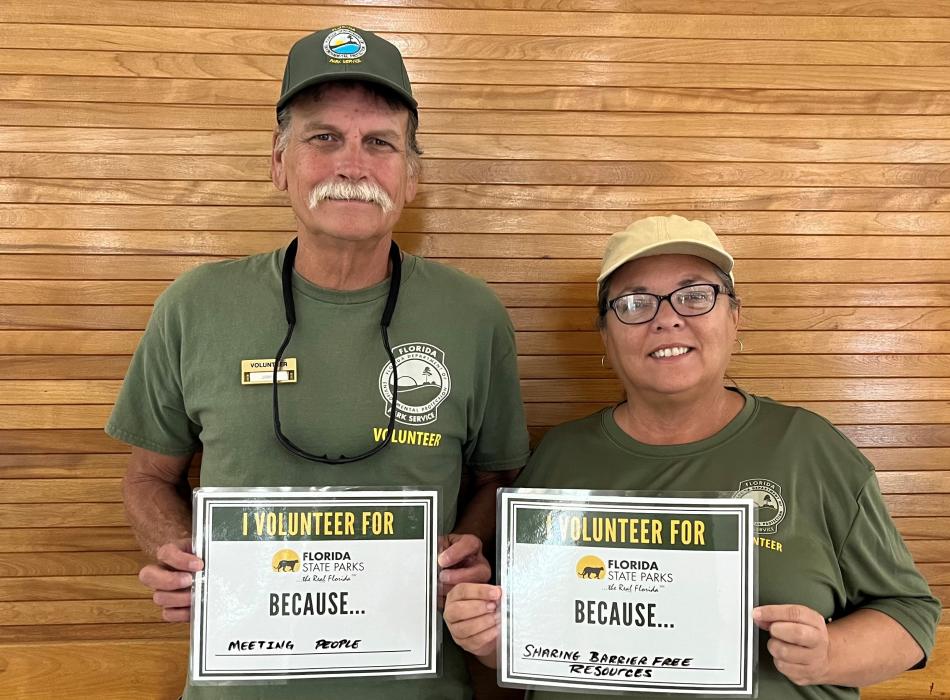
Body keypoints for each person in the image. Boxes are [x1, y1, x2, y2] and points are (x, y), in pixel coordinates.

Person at [106, 26, 529, 700]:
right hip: (239, 680)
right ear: (278, 163)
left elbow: (497, 476)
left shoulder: (473, 315)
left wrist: (465, 545)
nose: (351, 166)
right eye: (323, 137)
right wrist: (178, 555)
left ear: (413, 176)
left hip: (420, 684)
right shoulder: (196, 305)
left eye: (380, 142)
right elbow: (147, 479)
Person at [444, 214, 939, 699]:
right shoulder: (558, 456)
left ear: (735, 317)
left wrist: (828, 654)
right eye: (635, 303)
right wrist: (488, 638)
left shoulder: (807, 448)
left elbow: (910, 615)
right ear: (605, 337)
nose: (667, 318)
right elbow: (520, 638)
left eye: (695, 296)